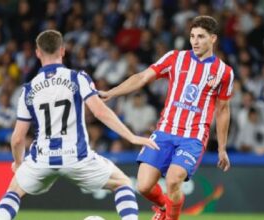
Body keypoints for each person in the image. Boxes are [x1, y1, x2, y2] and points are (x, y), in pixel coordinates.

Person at [0, 30, 159, 220]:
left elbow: (17, 139)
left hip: (42, 157)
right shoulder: (77, 78)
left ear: (38, 52)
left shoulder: (28, 90)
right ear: (63, 51)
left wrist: (18, 163)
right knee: (122, 183)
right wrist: (131, 136)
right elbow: (100, 111)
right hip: (76, 155)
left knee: (14, 191)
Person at [100, 16, 233, 220]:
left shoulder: (224, 72)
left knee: (173, 180)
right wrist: (112, 92)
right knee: (143, 186)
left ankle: (171, 217)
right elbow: (143, 77)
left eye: (201, 37)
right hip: (164, 132)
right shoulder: (175, 58)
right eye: (192, 36)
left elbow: (223, 110)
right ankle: (165, 206)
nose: (195, 41)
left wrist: (222, 148)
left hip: (193, 136)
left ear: (213, 38)